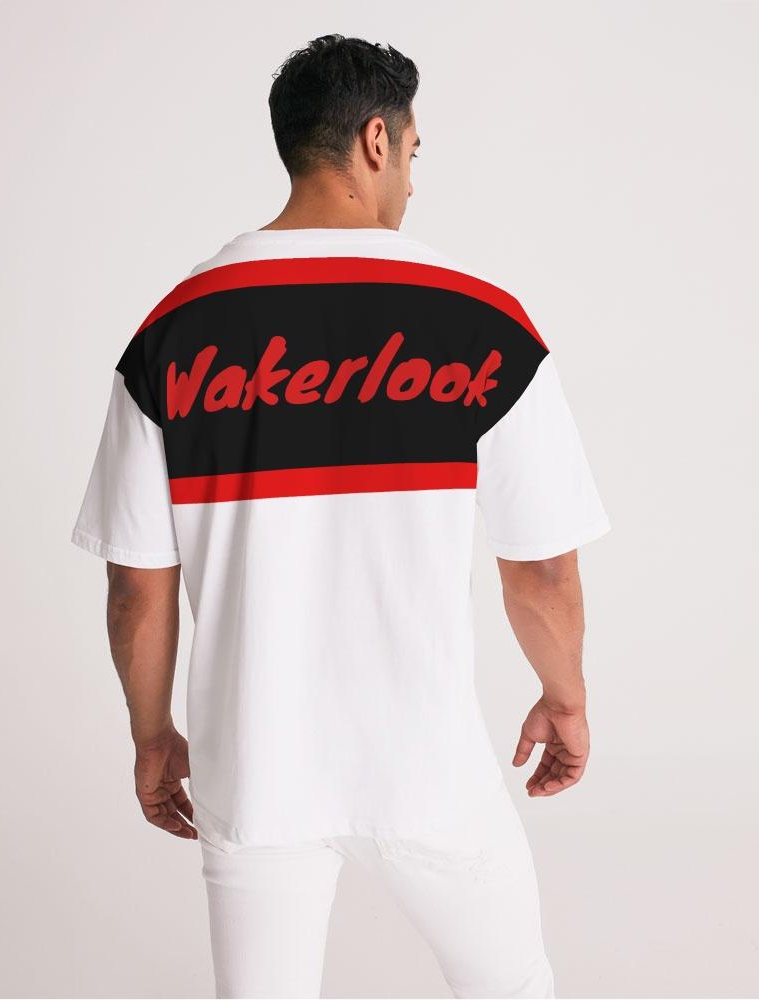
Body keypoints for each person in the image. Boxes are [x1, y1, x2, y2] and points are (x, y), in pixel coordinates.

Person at [70, 33, 611, 1000]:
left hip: (255, 767)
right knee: (514, 986)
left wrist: (152, 737)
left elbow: (135, 591)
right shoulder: (485, 321)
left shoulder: (173, 332)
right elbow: (542, 573)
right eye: (413, 151)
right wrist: (564, 698)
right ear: (376, 140)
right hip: (430, 770)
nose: (412, 178)